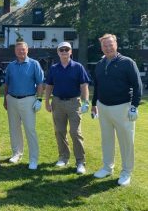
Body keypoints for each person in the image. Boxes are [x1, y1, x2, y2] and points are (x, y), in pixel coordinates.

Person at [91, 34, 142, 186]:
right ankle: (107, 167)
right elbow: (97, 86)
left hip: (123, 107)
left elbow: (137, 85)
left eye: (110, 44)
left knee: (126, 142)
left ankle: (126, 172)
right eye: (104, 45)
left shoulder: (127, 62)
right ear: (101, 47)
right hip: (103, 107)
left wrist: (134, 106)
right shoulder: (100, 64)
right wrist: (94, 104)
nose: (108, 48)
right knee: (106, 140)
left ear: (116, 44)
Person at [45, 41, 90, 174]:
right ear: (58, 52)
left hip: (74, 103)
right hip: (57, 103)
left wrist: (86, 101)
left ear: (71, 52)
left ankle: (80, 161)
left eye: (67, 49)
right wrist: (46, 102)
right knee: (59, 131)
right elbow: (49, 86)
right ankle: (63, 157)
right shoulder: (53, 68)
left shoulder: (78, 67)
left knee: (75, 133)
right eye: (61, 49)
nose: (64, 51)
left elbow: (84, 85)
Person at [4, 41, 44, 170]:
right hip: (12, 99)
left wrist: (39, 99)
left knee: (30, 130)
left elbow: (40, 84)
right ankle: (16, 154)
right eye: (18, 50)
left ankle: (33, 159)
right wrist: (5, 99)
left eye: (23, 49)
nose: (21, 52)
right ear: (15, 51)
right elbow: (7, 84)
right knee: (14, 128)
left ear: (27, 50)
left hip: (28, 100)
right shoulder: (11, 66)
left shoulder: (34, 64)